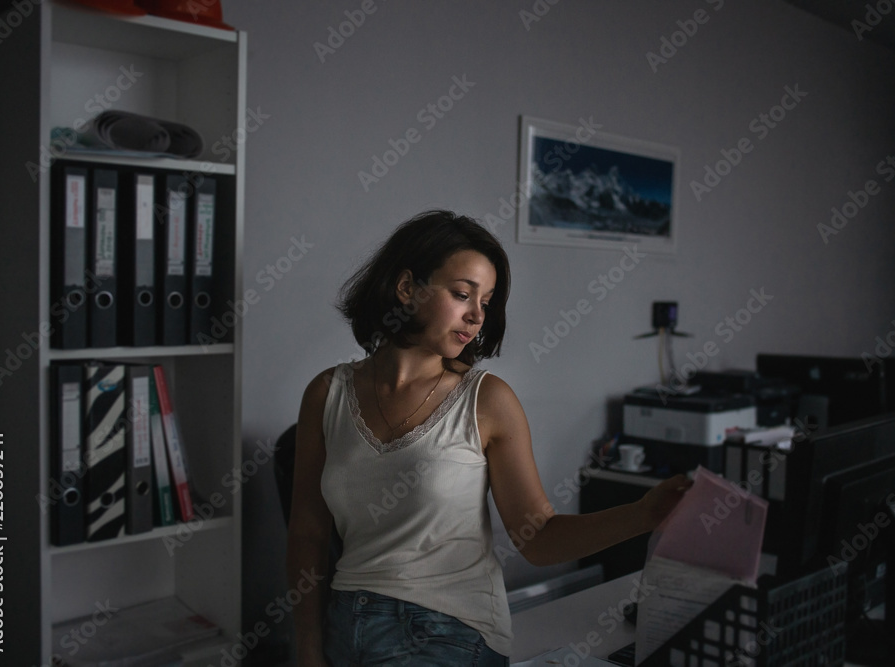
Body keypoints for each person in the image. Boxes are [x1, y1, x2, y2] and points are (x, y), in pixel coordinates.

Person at [286, 210, 691, 666]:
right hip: (346, 624)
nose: (477, 315)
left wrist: (643, 514)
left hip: (445, 629)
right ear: (406, 289)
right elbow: (308, 531)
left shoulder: (487, 401)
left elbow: (537, 539)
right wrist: (306, 648)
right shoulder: (327, 393)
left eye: (488, 301)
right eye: (462, 294)